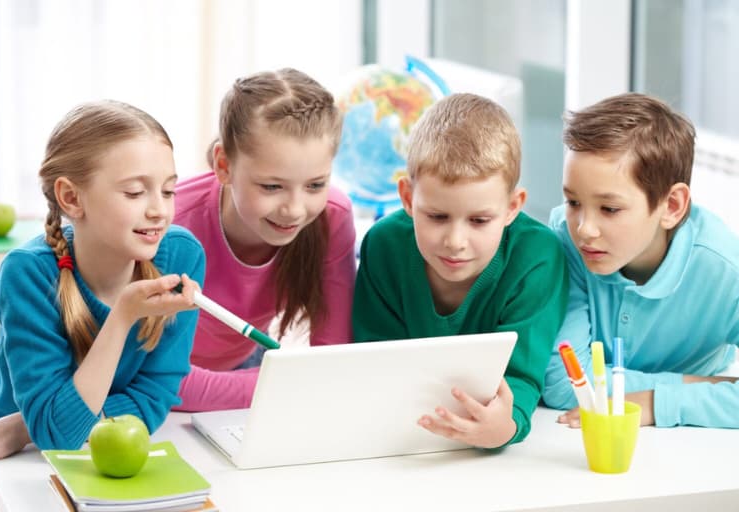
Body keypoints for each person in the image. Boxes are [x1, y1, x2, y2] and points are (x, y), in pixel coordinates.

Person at [0, 100, 204, 482]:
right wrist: (123, 315)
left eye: (168, 191)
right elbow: (60, 437)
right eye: (134, 193)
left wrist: (24, 427)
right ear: (71, 198)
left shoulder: (182, 255)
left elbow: (152, 399)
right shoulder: (28, 273)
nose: (159, 211)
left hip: (25, 425)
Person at [352, 93, 569, 449]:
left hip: (489, 449)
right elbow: (374, 358)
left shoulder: (538, 257)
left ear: (513, 207)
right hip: (397, 439)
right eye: (436, 216)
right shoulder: (384, 245)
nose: (455, 241)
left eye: (479, 220)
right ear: (407, 198)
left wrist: (506, 427)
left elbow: (521, 375)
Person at [541, 92, 739, 428]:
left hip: (691, 447)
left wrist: (654, 402)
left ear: (672, 206)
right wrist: (706, 388)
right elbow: (565, 384)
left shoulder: (725, 270)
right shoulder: (563, 239)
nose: (584, 229)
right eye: (573, 202)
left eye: (610, 209)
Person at [173, 68, 356, 411]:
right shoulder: (170, 226)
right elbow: (159, 381)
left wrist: (293, 380)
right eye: (272, 187)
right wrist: (291, 382)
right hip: (150, 386)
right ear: (223, 165)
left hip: (246, 373)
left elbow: (332, 359)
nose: (294, 210)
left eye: (316, 185)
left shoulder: (333, 217)